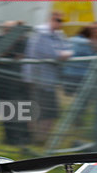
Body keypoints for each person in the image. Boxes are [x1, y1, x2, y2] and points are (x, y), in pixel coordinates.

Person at [23, 12, 73, 143]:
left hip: (50, 80)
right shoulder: (41, 33)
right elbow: (51, 54)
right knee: (39, 111)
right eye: (57, 20)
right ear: (51, 19)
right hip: (38, 78)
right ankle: (36, 139)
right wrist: (61, 54)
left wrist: (62, 54)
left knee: (50, 111)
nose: (60, 23)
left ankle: (41, 140)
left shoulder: (58, 34)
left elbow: (68, 50)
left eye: (62, 20)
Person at [0, 21, 30, 146]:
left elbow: (23, 55)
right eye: (6, 31)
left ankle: (20, 139)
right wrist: (7, 52)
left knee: (19, 112)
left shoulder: (22, 42)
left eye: (11, 31)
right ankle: (8, 139)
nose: (8, 33)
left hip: (17, 83)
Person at [62, 22, 97, 93]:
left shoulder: (74, 40)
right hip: (80, 75)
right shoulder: (84, 43)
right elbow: (94, 55)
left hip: (71, 74)